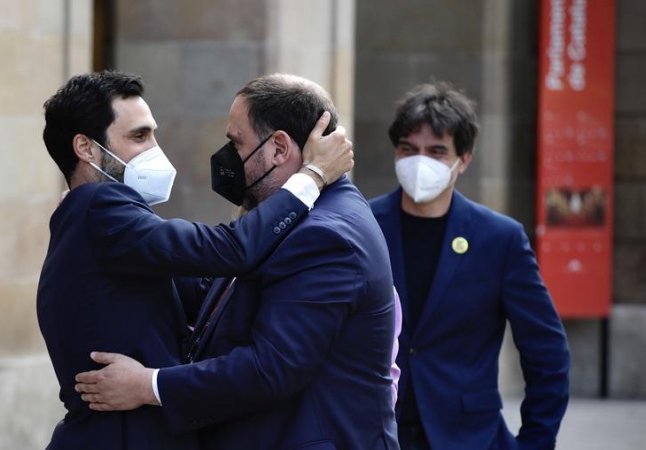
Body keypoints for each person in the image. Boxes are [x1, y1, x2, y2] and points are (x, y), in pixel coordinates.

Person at [74, 73, 400, 450]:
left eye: (236, 142)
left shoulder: (325, 235)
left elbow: (270, 368)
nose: (226, 158)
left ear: (279, 148)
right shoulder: (296, 218)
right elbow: (219, 296)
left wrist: (147, 385)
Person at [368, 82, 570, 449]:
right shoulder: (362, 225)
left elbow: (548, 355)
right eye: (408, 149)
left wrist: (535, 443)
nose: (420, 162)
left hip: (469, 437)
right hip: (376, 434)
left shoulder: (500, 239)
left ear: (464, 160)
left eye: (437, 151)